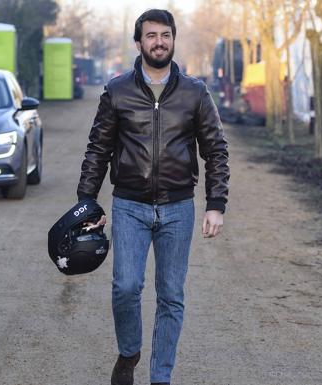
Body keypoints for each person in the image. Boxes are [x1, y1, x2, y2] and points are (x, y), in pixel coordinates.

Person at [77, 9, 230, 385]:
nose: (159, 41)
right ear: (139, 42)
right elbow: (98, 148)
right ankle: (129, 352)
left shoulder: (195, 92)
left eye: (165, 35)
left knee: (171, 296)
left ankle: (161, 376)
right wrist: (87, 202)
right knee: (125, 287)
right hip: (130, 205)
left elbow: (216, 150)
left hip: (179, 208)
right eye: (151, 36)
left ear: (173, 39)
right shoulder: (117, 91)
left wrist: (215, 204)